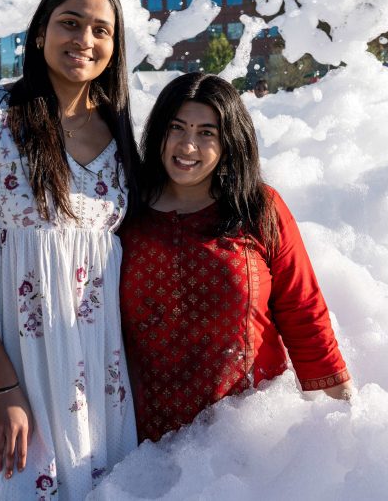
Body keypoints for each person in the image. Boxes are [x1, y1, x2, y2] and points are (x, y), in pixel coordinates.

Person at [0, 0, 140, 500]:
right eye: (70, 23)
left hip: (98, 372)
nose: (84, 40)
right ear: (40, 32)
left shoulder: (121, 131)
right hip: (12, 363)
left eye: (100, 30)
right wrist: (3, 382)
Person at [118, 72, 352, 443]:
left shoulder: (259, 208)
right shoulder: (123, 211)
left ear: (229, 143)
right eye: (176, 128)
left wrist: (343, 417)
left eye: (206, 133)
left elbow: (301, 308)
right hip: (144, 444)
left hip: (245, 438)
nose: (188, 145)